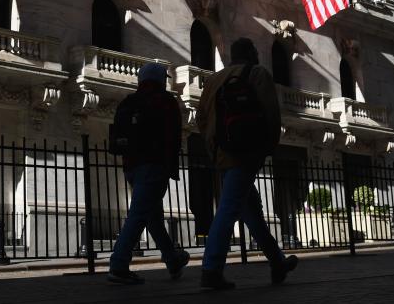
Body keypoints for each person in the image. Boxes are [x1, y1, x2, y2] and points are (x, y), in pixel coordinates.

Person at [195, 38, 298, 290]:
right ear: (251, 53)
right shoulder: (258, 73)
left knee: (249, 211)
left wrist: (214, 149)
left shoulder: (213, 80)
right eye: (255, 50)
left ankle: (277, 262)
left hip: (222, 154)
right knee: (229, 209)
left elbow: (201, 119)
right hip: (246, 152)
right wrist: (267, 148)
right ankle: (211, 270)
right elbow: (272, 115)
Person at [108, 62, 190, 285]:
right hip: (154, 165)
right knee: (139, 215)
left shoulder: (129, 101)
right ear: (160, 79)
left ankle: (172, 258)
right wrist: (168, 165)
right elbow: (173, 137)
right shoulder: (164, 101)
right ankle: (119, 265)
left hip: (132, 167)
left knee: (152, 217)